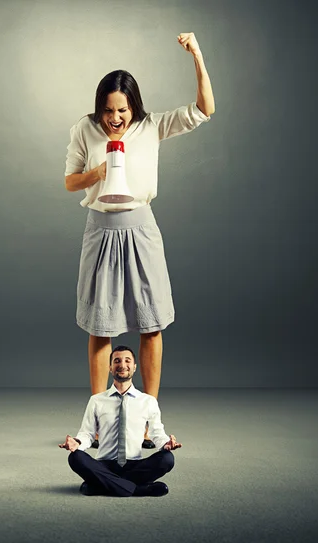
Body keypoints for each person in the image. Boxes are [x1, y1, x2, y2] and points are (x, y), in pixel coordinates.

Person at [64, 32, 215, 447]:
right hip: (100, 229)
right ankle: (98, 424)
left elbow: (206, 109)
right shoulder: (84, 129)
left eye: (123, 110)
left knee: (151, 323)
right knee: (100, 326)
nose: (115, 118)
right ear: (100, 108)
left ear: (134, 107)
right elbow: (69, 181)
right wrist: (97, 171)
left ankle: (147, 422)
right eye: (109, 110)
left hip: (142, 228)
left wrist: (197, 55)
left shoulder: (152, 126)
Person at [59, 345, 182, 497]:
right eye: (117, 361)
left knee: (167, 459)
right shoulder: (96, 400)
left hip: (134, 464)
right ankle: (138, 489)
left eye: (127, 361)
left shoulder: (148, 401)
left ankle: (100, 486)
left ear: (134, 367)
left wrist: (166, 443)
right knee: (75, 457)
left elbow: (156, 432)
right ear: (110, 368)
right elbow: (88, 433)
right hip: (105, 464)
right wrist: (77, 443)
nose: (122, 365)